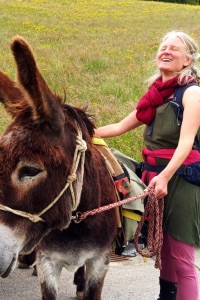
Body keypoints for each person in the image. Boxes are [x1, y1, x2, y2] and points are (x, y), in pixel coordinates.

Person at [95, 30, 200, 300]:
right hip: (155, 176)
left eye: (174, 49)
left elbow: (186, 143)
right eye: (163, 47)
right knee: (163, 249)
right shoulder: (154, 96)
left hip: (181, 178)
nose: (165, 51)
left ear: (187, 59)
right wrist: (80, 131)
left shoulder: (192, 93)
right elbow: (119, 126)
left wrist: (164, 177)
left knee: (182, 255)